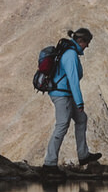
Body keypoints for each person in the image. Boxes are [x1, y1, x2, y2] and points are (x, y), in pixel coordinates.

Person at [41, 26, 102, 169]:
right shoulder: (71, 55)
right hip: (62, 95)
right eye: (87, 42)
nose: (88, 46)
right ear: (81, 41)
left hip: (64, 93)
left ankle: (83, 155)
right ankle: (49, 164)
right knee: (62, 125)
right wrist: (80, 102)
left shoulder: (69, 52)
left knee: (81, 119)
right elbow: (73, 80)